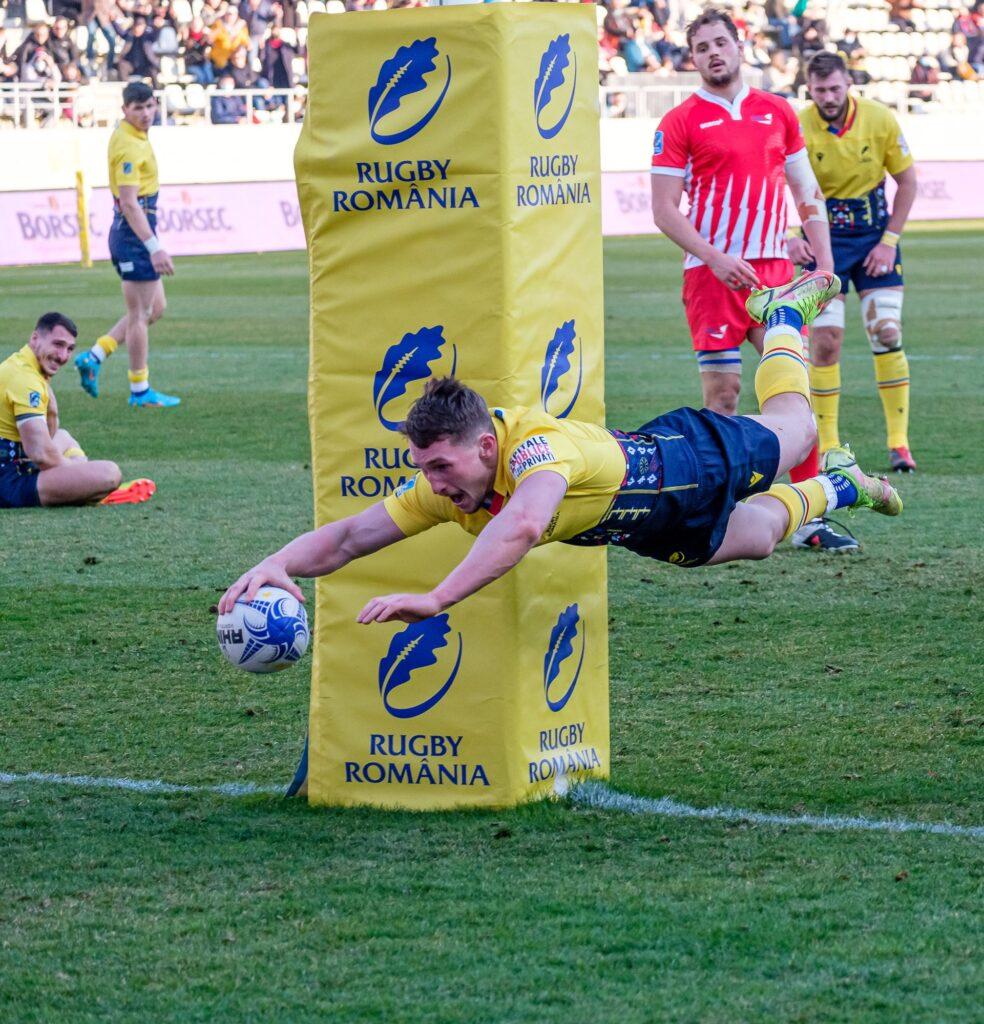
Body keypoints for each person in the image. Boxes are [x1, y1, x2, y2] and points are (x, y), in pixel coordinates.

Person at [220, 271, 902, 622]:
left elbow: (521, 524)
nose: (434, 483)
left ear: (486, 447)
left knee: (798, 428)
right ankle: (840, 485)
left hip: (687, 460)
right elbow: (348, 538)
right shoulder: (448, 486)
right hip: (640, 526)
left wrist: (437, 597)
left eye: (441, 466)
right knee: (756, 538)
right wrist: (274, 563)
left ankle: (780, 316)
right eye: (425, 469)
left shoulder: (534, 449)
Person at [650, 10, 855, 552]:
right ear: (692, 59)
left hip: (776, 278)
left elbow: (807, 193)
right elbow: (663, 210)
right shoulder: (679, 121)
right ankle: (724, 513)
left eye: (721, 43)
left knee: (795, 393)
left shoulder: (777, 111)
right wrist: (714, 257)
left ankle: (808, 517)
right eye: (702, 48)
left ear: (739, 47)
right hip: (711, 278)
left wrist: (825, 267)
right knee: (723, 397)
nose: (713, 53)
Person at [790, 51, 918, 472]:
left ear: (849, 84)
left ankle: (899, 444)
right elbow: (777, 185)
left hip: (874, 238)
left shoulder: (879, 119)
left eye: (834, 88)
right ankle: (829, 448)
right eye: (820, 90)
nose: (828, 97)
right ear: (809, 89)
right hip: (823, 240)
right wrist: (791, 237)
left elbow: (907, 182)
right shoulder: (798, 125)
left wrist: (889, 241)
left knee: (887, 331)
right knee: (826, 343)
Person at [74, 82, 180, 408]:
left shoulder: (133, 135)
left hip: (136, 228)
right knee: (140, 314)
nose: (146, 114)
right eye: (138, 108)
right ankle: (139, 390)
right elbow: (130, 203)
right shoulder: (128, 147)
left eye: (150, 106)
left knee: (154, 309)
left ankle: (94, 356)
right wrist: (154, 246)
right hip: (133, 234)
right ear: (125, 110)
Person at [0, 312, 155, 509]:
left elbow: (49, 436)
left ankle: (83, 488)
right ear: (35, 338)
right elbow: (40, 454)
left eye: (69, 348)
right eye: (58, 344)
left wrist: (53, 412)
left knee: (64, 437)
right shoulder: (25, 380)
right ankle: (87, 491)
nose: (63, 356)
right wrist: (78, 468)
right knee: (109, 474)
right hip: (8, 483)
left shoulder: (23, 364)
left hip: (15, 464)